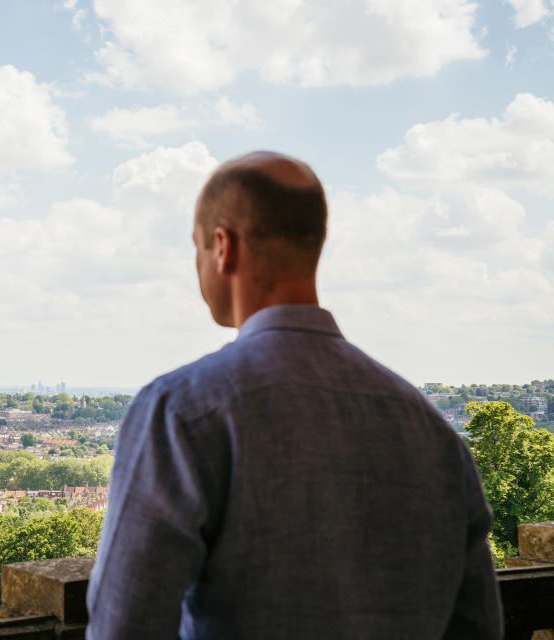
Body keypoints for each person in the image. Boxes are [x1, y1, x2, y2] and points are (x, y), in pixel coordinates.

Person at [85, 151, 502, 639]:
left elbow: (124, 626)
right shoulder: (431, 430)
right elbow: (479, 627)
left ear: (224, 248)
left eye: (197, 247)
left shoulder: (181, 411)